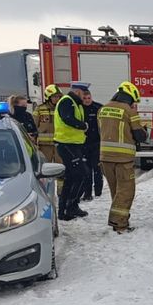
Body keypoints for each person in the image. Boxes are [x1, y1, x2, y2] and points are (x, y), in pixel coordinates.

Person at [98, 82, 147, 233]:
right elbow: (140, 136)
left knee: (116, 191)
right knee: (126, 191)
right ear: (130, 97)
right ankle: (119, 224)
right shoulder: (129, 111)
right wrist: (145, 131)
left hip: (105, 157)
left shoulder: (103, 109)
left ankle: (118, 221)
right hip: (123, 159)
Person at [54, 82, 91, 220]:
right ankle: (69, 206)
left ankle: (67, 208)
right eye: (83, 93)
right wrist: (83, 126)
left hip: (73, 145)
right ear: (77, 92)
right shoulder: (67, 101)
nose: (85, 96)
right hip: (66, 144)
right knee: (82, 174)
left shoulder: (75, 103)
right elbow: (67, 118)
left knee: (72, 177)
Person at [78, 88, 103, 201]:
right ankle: (87, 193)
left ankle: (98, 192)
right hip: (83, 143)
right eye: (85, 98)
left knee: (97, 168)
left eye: (89, 98)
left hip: (96, 142)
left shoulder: (98, 107)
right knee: (86, 169)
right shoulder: (79, 109)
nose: (87, 101)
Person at [33, 84, 62, 163]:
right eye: (54, 97)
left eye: (59, 97)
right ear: (48, 97)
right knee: (45, 166)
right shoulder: (40, 109)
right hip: (44, 144)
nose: (57, 99)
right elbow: (34, 125)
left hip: (59, 143)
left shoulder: (61, 109)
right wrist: (34, 140)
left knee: (60, 167)